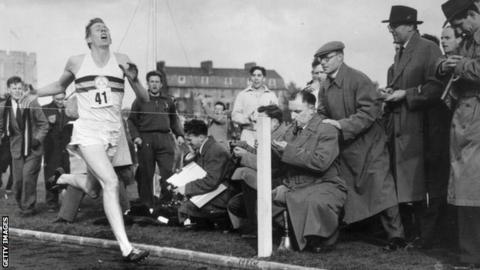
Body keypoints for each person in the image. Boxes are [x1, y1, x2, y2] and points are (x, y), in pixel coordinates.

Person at [33, 18, 149, 262]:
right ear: (88, 38)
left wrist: (135, 79)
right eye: (98, 29)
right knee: (111, 182)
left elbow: (144, 98)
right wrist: (32, 92)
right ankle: (127, 248)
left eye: (106, 28)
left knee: (94, 189)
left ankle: (63, 178)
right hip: (87, 132)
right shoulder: (77, 61)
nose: (104, 31)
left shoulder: (122, 59)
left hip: (112, 134)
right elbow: (58, 84)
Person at [315, 41, 405, 251]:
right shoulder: (326, 85)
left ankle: (397, 236)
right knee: (351, 189)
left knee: (382, 188)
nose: (323, 63)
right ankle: (356, 228)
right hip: (347, 147)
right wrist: (317, 122)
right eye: (321, 60)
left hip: (371, 145)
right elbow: (322, 112)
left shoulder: (358, 79)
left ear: (341, 57)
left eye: (327, 59)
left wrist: (341, 124)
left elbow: (369, 112)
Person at [381, 5, 448, 249]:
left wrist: (404, 94)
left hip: (420, 130)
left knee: (420, 187)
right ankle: (415, 236)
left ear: (410, 25)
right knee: (408, 187)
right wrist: (391, 92)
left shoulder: (428, 49)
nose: (391, 31)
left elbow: (436, 88)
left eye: (394, 26)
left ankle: (425, 238)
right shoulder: (402, 52)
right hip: (402, 129)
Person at [270, 91, 346, 252]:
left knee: (312, 202)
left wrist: (287, 150)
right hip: (296, 184)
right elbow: (285, 158)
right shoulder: (292, 130)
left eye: (297, 111)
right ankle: (295, 233)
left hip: (324, 183)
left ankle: (319, 239)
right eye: (291, 111)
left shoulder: (327, 129)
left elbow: (320, 162)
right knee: (265, 200)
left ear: (312, 109)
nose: (292, 116)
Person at [437, 0, 480, 267]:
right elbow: (454, 62)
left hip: (474, 120)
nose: (459, 31)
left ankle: (471, 256)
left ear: (473, 15)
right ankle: (469, 255)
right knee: (467, 190)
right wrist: (444, 66)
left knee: (471, 189)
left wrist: (459, 65)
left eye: (459, 24)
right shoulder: (469, 39)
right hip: (466, 119)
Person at [227, 104, 288, 236]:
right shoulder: (273, 134)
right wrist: (247, 149)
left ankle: (258, 227)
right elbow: (264, 157)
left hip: (279, 183)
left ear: (274, 122)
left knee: (244, 174)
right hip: (274, 182)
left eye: (259, 122)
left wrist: (245, 155)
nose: (255, 126)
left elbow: (271, 166)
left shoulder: (281, 137)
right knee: (234, 204)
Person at [128, 70, 184, 211]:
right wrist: (136, 137)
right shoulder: (140, 100)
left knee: (168, 172)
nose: (154, 84)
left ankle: (166, 203)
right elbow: (131, 121)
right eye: (151, 81)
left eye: (157, 82)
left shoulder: (168, 101)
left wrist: (179, 134)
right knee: (146, 173)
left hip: (165, 138)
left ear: (161, 84)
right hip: (146, 139)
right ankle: (147, 205)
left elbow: (174, 120)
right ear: (147, 83)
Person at [0, 77, 49, 216]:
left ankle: (28, 207)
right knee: (18, 181)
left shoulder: (32, 103)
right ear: (9, 90)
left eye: (19, 88)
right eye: (14, 88)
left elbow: (44, 124)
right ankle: (21, 204)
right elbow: (1, 127)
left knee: (28, 177)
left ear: (23, 89)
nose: (17, 91)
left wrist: (37, 139)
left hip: (33, 148)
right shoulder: (4, 106)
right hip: (16, 149)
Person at [174, 119, 235, 229]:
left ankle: (221, 218)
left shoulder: (216, 150)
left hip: (222, 193)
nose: (187, 142)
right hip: (214, 189)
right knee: (180, 207)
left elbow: (211, 181)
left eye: (190, 139)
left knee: (185, 208)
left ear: (201, 137)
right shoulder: (205, 148)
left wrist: (186, 188)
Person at [232, 66, 278, 147]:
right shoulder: (242, 95)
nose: (256, 78)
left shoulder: (271, 95)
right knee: (245, 158)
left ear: (264, 78)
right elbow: (234, 116)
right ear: (250, 78)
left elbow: (277, 117)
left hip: (266, 134)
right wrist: (247, 119)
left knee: (264, 159)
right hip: (248, 133)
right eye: (254, 75)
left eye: (259, 75)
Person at [42, 93, 73, 212]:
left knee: (69, 174)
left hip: (68, 147)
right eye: (58, 99)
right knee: (51, 175)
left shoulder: (71, 109)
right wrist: (49, 123)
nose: (61, 101)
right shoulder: (45, 109)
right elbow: (40, 127)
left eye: (63, 99)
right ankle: (51, 204)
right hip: (52, 148)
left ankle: (69, 204)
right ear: (52, 98)